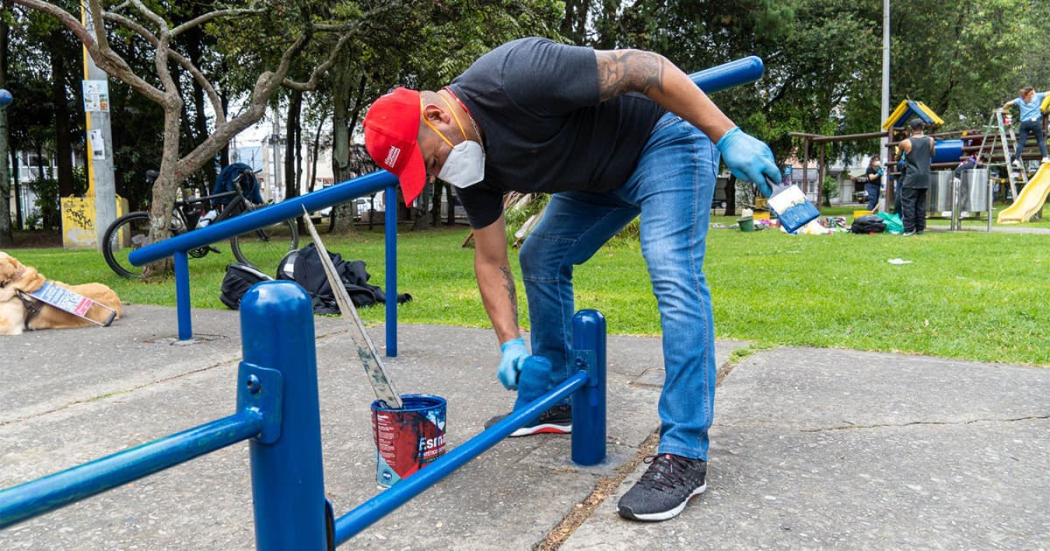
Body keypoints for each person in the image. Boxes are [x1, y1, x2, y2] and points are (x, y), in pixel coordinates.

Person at [362, 37, 779, 522]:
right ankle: (556, 396)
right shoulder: (469, 168)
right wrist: (510, 344)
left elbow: (645, 67)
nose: (437, 176)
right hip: (597, 180)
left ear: (435, 116)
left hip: (665, 140)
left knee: (671, 266)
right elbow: (491, 260)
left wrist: (728, 136)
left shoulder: (515, 75)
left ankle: (685, 450)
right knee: (540, 256)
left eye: (430, 162)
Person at [897, 119, 934, 235]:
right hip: (925, 176)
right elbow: (932, 154)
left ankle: (909, 229)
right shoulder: (931, 140)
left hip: (911, 176)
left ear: (911, 129)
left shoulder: (905, 142)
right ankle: (920, 229)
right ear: (923, 128)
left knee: (908, 203)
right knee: (921, 204)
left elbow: (897, 158)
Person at [1002, 86, 1050, 167]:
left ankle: (1016, 160)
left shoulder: (1020, 100)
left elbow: (1007, 103)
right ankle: (1045, 157)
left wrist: (1004, 110)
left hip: (1024, 124)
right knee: (1040, 140)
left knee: (1021, 142)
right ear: (1031, 92)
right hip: (1034, 122)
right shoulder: (1037, 96)